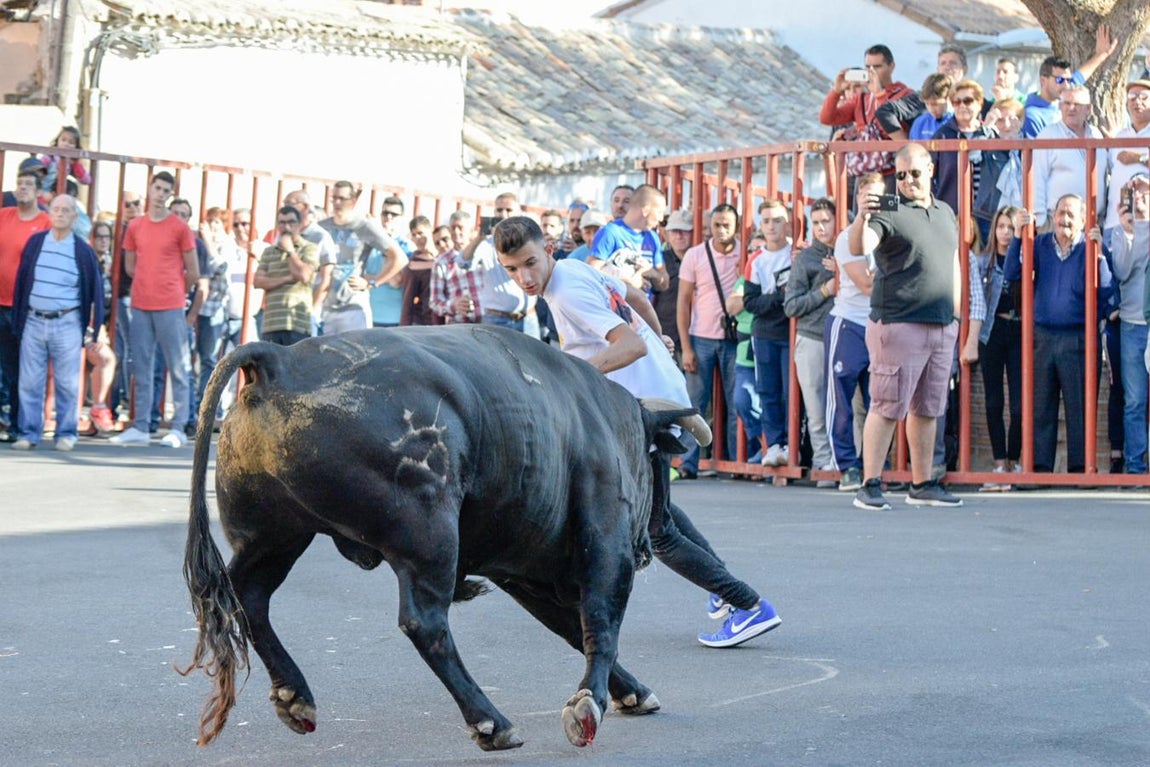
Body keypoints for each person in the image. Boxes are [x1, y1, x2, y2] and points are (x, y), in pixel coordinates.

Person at [493, 214, 780, 649]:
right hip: (656, 394)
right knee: (662, 513)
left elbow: (629, 345)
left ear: (548, 249)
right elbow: (634, 296)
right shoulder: (572, 269)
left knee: (655, 528)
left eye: (530, 263)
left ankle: (748, 603)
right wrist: (660, 338)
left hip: (647, 408)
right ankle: (727, 594)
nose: (524, 277)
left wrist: (570, 376)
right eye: (511, 269)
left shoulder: (566, 291)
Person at [849, 144, 963, 509]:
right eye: (900, 175)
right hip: (899, 322)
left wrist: (956, 316)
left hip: (941, 323)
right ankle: (869, 483)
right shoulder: (889, 205)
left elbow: (955, 263)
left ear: (930, 169)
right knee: (885, 404)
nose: (908, 180)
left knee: (928, 408)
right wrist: (861, 217)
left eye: (914, 172)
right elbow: (863, 245)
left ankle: (923, 482)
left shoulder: (945, 211)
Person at [1007, 197, 1113, 474]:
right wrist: (1018, 236)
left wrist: (1100, 253)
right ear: (1052, 215)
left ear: (1082, 221)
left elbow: (1107, 290)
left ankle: (1080, 469)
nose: (1064, 220)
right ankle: (1040, 468)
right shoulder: (1040, 245)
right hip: (1042, 336)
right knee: (1040, 405)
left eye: (1070, 215)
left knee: (1079, 406)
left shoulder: (1090, 248)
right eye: (1060, 213)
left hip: (1077, 337)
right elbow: (1012, 272)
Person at [109, 171, 199, 448]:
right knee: (142, 367)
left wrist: (174, 291)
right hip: (141, 304)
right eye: (157, 188)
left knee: (179, 368)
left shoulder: (179, 228)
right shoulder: (135, 226)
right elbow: (130, 267)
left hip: (170, 305)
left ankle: (179, 428)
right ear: (149, 189)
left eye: (165, 191)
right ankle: (140, 427)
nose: (160, 194)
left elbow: (193, 271)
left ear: (170, 195)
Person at [10, 194, 103, 451]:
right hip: (34, 319)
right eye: (56, 209)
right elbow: (22, 283)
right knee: (30, 381)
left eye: (66, 210)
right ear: (49, 213)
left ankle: (66, 433)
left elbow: (93, 291)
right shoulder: (36, 243)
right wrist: (20, 319)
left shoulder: (82, 250)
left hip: (67, 322)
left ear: (75, 217)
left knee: (67, 382)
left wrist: (95, 329)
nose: (60, 214)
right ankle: (29, 433)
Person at [678, 200, 742, 476]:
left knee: (736, 402)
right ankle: (688, 463)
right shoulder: (695, 255)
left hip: (734, 338)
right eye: (716, 225)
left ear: (736, 226)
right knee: (695, 405)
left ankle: (735, 462)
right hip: (700, 337)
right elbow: (683, 301)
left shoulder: (745, 253)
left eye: (727, 225)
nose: (721, 230)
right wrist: (686, 347)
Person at [961, 206, 1023, 491]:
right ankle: (999, 462)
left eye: (1011, 228)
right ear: (994, 230)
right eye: (1001, 227)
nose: (1006, 233)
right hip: (991, 331)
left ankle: (1015, 460)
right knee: (993, 400)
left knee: (1020, 404)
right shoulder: (982, 260)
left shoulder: (1025, 257)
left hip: (1018, 330)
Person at [783, 198, 837, 481]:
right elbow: (790, 306)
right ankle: (823, 463)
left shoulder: (852, 251)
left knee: (851, 405)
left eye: (826, 221)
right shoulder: (805, 259)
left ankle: (847, 461)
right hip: (812, 338)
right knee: (815, 408)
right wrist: (826, 290)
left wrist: (843, 269)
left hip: (845, 336)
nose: (820, 227)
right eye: (815, 223)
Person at [0, 167, 52, 441]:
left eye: (28, 184)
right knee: (5, 367)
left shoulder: (45, 222)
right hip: (0, 303)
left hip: (26, 307)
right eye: (19, 183)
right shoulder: (4, 216)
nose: (22, 188)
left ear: (39, 191)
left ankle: (23, 425)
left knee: (25, 368)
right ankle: (6, 422)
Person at [316, 181, 407, 335]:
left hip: (353, 307)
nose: (337, 203)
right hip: (325, 306)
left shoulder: (364, 227)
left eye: (342, 199)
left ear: (352, 201)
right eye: (334, 198)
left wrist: (372, 282)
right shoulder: (322, 227)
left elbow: (399, 258)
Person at [744, 200, 793, 468]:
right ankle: (774, 443)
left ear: (787, 222)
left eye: (777, 220)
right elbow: (751, 303)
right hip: (764, 334)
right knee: (768, 391)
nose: (772, 226)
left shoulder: (798, 252)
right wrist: (778, 298)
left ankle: (794, 443)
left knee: (791, 392)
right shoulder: (756, 260)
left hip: (792, 333)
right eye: (766, 221)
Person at [1108, 176, 1150, 474]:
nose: (1140, 201)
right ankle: (1135, 467)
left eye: (1145, 195)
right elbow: (1122, 273)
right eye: (1135, 196)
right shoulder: (1119, 233)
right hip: (1132, 325)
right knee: (1134, 400)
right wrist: (1129, 232)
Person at [1032, 85, 1107, 229]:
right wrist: (1040, 221)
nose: (1071, 108)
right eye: (1066, 103)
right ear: (1060, 106)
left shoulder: (1096, 134)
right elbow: (1036, 177)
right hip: (1059, 223)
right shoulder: (1048, 135)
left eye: (1077, 104)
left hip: (1093, 223)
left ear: (1088, 109)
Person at [460, 192, 535, 334]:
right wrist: (479, 238)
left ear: (519, 214)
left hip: (528, 319)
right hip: (496, 320)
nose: (503, 215)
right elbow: (463, 263)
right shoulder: (486, 244)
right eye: (499, 210)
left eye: (509, 210)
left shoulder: (530, 241)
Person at [253, 206, 320, 346]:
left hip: (296, 323)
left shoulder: (309, 248)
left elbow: (304, 275)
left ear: (300, 224)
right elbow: (258, 281)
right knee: (269, 368)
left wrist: (290, 251)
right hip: (271, 324)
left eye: (291, 222)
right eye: (282, 223)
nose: (286, 227)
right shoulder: (269, 251)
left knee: (295, 366)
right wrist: (288, 278)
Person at [85, 221, 118, 434]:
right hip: (87, 327)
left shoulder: (107, 263)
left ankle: (93, 414)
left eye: (107, 237)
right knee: (106, 359)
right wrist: (97, 329)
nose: (104, 241)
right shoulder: (87, 261)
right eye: (99, 237)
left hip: (101, 327)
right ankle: (97, 408)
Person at [430, 210, 484, 324]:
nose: (456, 231)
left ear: (472, 230)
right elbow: (434, 302)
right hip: (459, 326)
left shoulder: (485, 254)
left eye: (461, 227)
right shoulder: (441, 262)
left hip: (489, 323)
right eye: (453, 228)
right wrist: (453, 305)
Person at [653, 209, 692, 362]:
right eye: (674, 231)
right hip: (667, 333)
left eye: (684, 231)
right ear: (667, 234)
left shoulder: (700, 258)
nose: (679, 236)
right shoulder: (660, 261)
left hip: (696, 336)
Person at [399, 215, 440, 326]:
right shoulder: (413, 264)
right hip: (424, 321)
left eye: (421, 233)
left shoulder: (444, 256)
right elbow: (408, 300)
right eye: (414, 235)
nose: (418, 238)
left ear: (430, 231)